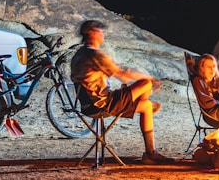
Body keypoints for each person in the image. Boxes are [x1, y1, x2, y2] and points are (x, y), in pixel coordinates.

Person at [70, 19, 174, 164]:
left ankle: (150, 153)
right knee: (145, 84)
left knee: (146, 108)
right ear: (92, 33)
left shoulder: (79, 54)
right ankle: (144, 103)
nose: (102, 34)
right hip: (102, 104)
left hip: (88, 105)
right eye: (100, 31)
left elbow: (117, 70)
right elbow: (123, 73)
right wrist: (150, 79)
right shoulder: (94, 55)